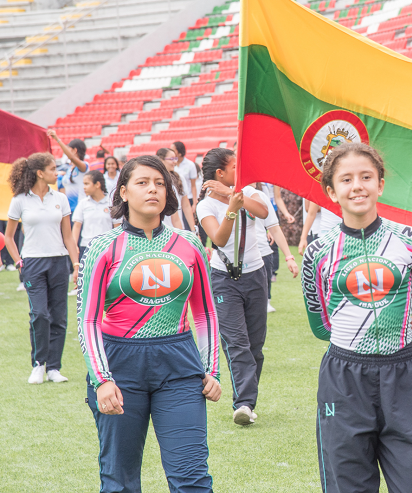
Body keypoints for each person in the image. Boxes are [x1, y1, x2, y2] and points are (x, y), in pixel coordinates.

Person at [302, 142, 412, 493]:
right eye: (346, 179)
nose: (358, 186)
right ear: (331, 191)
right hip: (343, 380)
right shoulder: (317, 253)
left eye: (366, 177)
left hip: (405, 377)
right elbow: (321, 326)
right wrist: (368, 329)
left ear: (380, 184)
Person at [77, 155, 221, 492]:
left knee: (192, 477)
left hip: (180, 366)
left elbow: (206, 313)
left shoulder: (189, 243)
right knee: (120, 479)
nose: (152, 189)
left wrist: (212, 369)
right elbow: (88, 320)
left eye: (159, 183)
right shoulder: (102, 247)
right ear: (124, 192)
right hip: (119, 366)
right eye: (142, 183)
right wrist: (102, 380)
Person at [196, 148, 271, 426]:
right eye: (235, 167)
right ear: (221, 173)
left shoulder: (246, 192)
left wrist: (234, 196)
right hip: (224, 280)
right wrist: (231, 207)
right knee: (237, 344)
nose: (241, 172)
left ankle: (248, 401)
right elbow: (219, 238)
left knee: (256, 345)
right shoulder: (205, 206)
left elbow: (262, 211)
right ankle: (243, 403)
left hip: (256, 275)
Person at [5, 152, 80, 384]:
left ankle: (53, 368)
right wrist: (18, 261)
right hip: (33, 264)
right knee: (39, 314)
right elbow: (9, 237)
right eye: (52, 169)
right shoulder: (19, 200)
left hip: (59, 262)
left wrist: (76, 265)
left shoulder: (61, 198)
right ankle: (38, 364)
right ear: (40, 173)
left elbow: (68, 237)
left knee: (58, 316)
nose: (56, 172)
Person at [250, 182, 299, 313]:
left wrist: (289, 257)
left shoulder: (262, 191)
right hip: (243, 255)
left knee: (271, 251)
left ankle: (267, 300)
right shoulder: (228, 194)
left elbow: (277, 199)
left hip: (263, 243)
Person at [70, 171, 119, 296]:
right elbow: (76, 226)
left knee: (108, 286)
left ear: (97, 184)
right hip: (87, 248)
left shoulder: (111, 202)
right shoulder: (83, 204)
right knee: (88, 286)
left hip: (108, 249)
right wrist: (73, 245)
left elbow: (117, 227)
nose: (84, 187)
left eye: (87, 184)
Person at [50, 131, 89, 213]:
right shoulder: (69, 169)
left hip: (79, 209)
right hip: (68, 209)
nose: (66, 153)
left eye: (69, 150)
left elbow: (72, 158)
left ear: (75, 150)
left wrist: (57, 139)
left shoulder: (84, 166)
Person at [156, 148, 193, 230]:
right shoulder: (156, 181)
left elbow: (186, 206)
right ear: (161, 160)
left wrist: (193, 230)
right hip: (161, 230)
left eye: (175, 158)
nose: (175, 162)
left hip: (178, 228)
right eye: (171, 159)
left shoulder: (179, 178)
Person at [170, 141, 198, 221]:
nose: (171, 152)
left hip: (188, 198)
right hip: (175, 199)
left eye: (173, 150)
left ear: (179, 152)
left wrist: (194, 203)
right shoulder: (170, 164)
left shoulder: (190, 165)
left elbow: (193, 185)